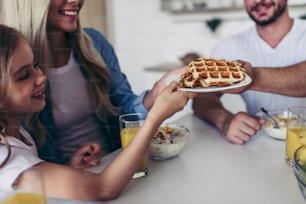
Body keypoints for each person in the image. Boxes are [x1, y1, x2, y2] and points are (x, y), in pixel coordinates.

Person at [0, 24, 195, 200]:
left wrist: (69, 169)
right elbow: (102, 189)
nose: (42, 77)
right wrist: (156, 117)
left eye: (36, 66)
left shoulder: (17, 134)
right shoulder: (7, 158)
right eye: (24, 75)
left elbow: (35, 186)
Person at [1, 0, 190, 166]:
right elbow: (26, 162)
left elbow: (124, 112)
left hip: (117, 164)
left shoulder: (95, 43)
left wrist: (156, 94)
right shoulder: (13, 74)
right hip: (68, 184)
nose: (76, 1)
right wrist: (71, 169)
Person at [192, 0, 306, 145]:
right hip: (256, 143)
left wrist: (250, 77)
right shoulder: (229, 46)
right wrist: (224, 120)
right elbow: (202, 96)